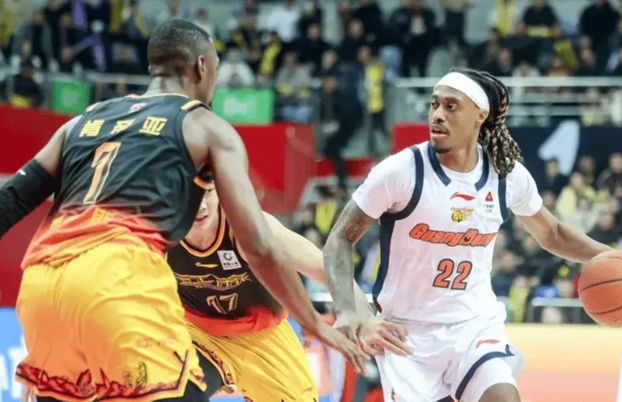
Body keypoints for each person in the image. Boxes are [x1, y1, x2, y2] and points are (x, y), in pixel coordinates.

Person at [1, 19, 364, 402]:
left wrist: (50, 336)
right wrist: (314, 323)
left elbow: (12, 200)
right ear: (203, 67)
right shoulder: (203, 127)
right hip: (131, 293)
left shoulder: (81, 122)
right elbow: (259, 249)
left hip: (45, 281)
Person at [322, 68, 622, 402]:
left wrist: (611, 256)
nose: (437, 114)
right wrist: (348, 310)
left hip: (473, 325)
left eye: (451, 106)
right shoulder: (400, 171)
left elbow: (553, 233)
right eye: (434, 104)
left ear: (480, 115)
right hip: (407, 332)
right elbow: (339, 239)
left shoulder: (506, 175)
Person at [167, 179, 410, 400]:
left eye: (208, 193)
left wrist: (362, 316)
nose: (200, 206)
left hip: (262, 337)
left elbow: (325, 268)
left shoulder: (250, 227)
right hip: (198, 333)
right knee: (166, 392)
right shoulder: (157, 234)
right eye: (190, 196)